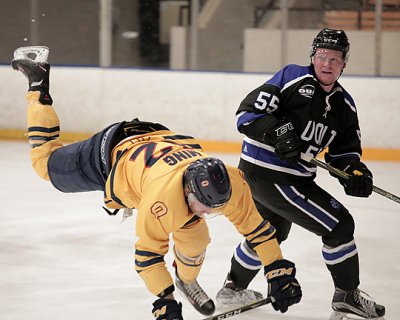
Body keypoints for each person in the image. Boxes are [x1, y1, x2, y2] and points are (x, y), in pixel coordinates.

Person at [12, 46, 302, 320]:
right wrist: (164, 299)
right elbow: (148, 256)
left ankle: (186, 280)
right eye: (204, 205)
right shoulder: (160, 202)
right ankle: (38, 85)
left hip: (158, 141)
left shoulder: (231, 182)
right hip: (107, 155)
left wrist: (276, 267)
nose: (206, 213)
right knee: (44, 163)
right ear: (189, 189)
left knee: (196, 234)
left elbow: (257, 229)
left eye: (214, 208)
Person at [216, 28, 385, 320]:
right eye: (322, 56)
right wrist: (277, 132)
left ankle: (232, 289)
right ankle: (347, 295)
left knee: (270, 234)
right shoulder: (292, 77)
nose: (327, 63)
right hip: (269, 173)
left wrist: (354, 172)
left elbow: (343, 154)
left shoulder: (344, 105)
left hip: (287, 177)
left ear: (345, 63)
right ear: (312, 56)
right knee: (339, 226)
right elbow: (247, 115)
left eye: (335, 58)